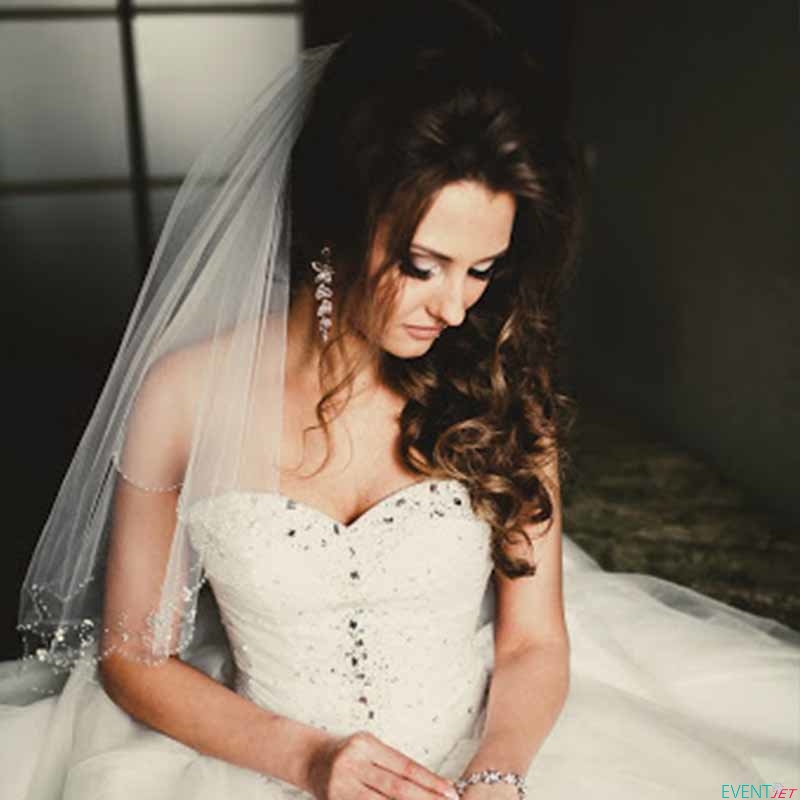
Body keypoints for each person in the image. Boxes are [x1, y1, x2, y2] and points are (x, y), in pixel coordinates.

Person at [1, 2, 798, 798]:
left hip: (487, 753)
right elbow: (133, 656)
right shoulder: (182, 395)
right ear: (336, 225)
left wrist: (497, 773)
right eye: (423, 265)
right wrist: (309, 760)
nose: (455, 308)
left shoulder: (498, 385)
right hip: (260, 763)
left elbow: (531, 643)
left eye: (481, 270)